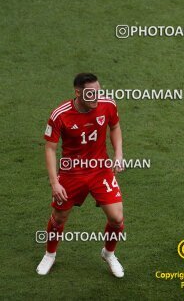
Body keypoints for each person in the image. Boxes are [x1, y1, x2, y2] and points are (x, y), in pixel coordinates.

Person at [37, 73, 125, 277]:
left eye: (98, 92)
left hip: (100, 170)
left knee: (117, 218)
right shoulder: (60, 114)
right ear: (77, 93)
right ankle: (50, 254)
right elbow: (50, 148)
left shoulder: (108, 105)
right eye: (91, 93)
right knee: (59, 219)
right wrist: (54, 183)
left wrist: (119, 154)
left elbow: (115, 126)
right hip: (71, 172)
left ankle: (109, 253)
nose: (96, 97)